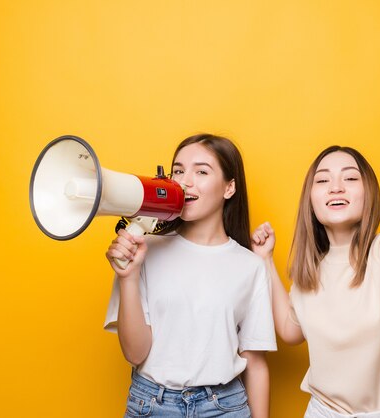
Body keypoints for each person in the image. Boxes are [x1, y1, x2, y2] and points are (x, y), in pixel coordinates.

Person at [251, 16, 380, 418]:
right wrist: (264, 262)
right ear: (310, 200)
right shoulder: (311, 272)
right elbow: (291, 331)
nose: (336, 187)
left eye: (349, 177)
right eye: (323, 180)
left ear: (369, 193)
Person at [104, 134, 276, 418]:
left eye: (202, 171)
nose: (185, 181)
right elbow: (135, 355)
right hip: (150, 405)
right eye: (179, 170)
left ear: (229, 187)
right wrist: (128, 277)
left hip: (224, 408)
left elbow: (255, 363)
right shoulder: (145, 252)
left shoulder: (250, 266)